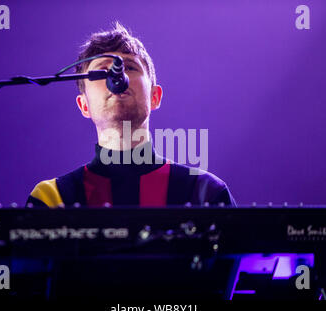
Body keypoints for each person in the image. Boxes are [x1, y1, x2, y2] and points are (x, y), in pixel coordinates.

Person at [26, 22, 236, 208]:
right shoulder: (52, 199)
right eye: (102, 70)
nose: (117, 77)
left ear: (155, 96)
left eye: (130, 67)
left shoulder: (206, 193)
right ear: (84, 105)